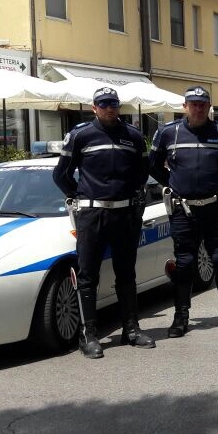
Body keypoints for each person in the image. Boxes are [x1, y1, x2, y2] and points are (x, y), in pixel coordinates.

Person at [53, 86, 154, 359]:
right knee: (88, 275)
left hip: (124, 214)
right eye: (103, 104)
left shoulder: (133, 136)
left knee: (126, 273)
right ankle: (89, 335)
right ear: (93, 107)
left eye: (113, 103)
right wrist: (78, 196)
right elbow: (61, 174)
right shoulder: (80, 135)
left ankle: (130, 329)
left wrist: (132, 198)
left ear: (118, 106)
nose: (109, 108)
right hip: (92, 215)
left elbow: (142, 173)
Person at [149, 85, 218, 337]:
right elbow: (153, 166)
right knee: (185, 263)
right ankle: (181, 315)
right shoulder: (168, 133)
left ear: (209, 106)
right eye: (193, 104)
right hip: (184, 210)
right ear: (185, 106)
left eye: (203, 104)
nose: (198, 108)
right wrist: (171, 183)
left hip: (215, 208)